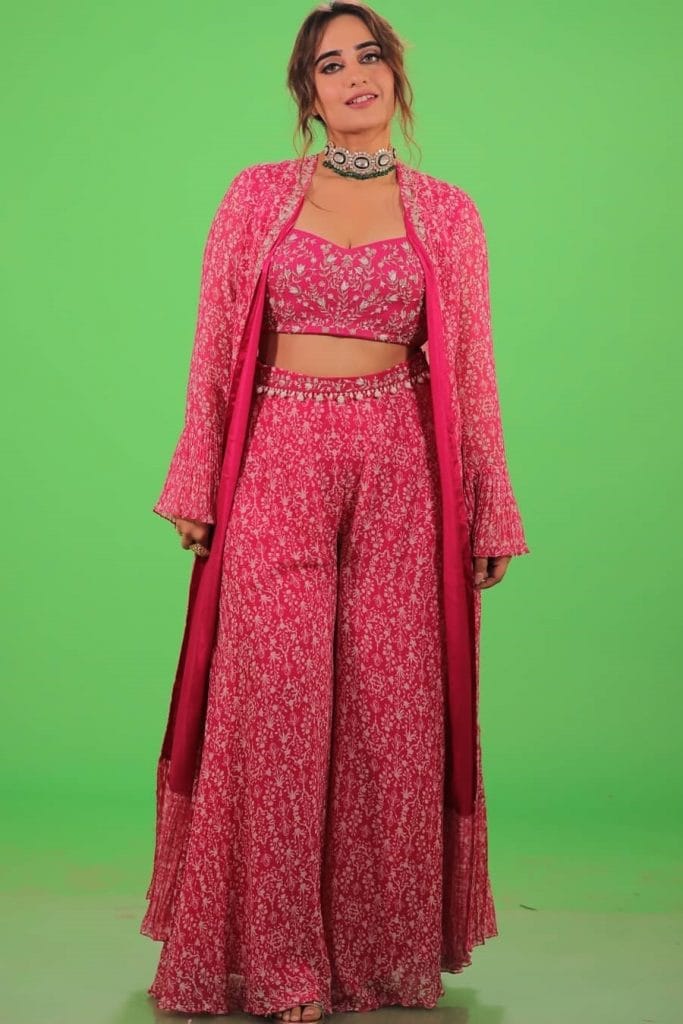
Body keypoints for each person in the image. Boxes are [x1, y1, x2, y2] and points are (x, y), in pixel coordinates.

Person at [140, 2, 530, 1020]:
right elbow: (213, 341)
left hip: (402, 463)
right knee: (276, 708)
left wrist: (490, 505)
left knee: (392, 713)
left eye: (368, 56)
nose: (354, 75)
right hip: (278, 453)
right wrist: (195, 479)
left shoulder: (447, 212)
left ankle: (375, 958)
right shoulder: (256, 195)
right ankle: (280, 968)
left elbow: (472, 368)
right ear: (306, 94)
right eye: (329, 65)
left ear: (394, 74)